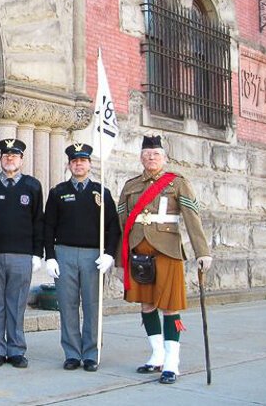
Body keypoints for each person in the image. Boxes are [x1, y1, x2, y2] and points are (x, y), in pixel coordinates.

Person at [117, 135, 212, 384]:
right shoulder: (130, 185)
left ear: (164, 158)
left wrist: (202, 251)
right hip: (139, 252)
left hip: (168, 252)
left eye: (156, 154)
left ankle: (172, 361)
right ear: (140, 157)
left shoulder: (177, 183)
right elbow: (123, 225)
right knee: (146, 305)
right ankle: (157, 355)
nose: (151, 158)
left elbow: (192, 217)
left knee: (170, 306)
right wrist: (120, 259)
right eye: (147, 154)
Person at [44, 143, 121, 372]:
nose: (79, 164)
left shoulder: (102, 192)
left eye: (83, 161)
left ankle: (91, 353)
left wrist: (108, 254)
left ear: (89, 164)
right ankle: (71, 353)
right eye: (75, 161)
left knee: (92, 305)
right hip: (65, 254)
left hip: (92, 256)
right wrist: (50, 256)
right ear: (69, 165)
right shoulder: (58, 192)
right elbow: (49, 226)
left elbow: (113, 228)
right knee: (67, 305)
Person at [0, 138, 44, 369]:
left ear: (21, 160)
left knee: (16, 303)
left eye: (14, 155)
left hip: (22, 254)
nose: (10, 159)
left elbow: (38, 222)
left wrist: (37, 253)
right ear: (0, 159)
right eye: (6, 155)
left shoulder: (33, 186)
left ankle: (16, 350)